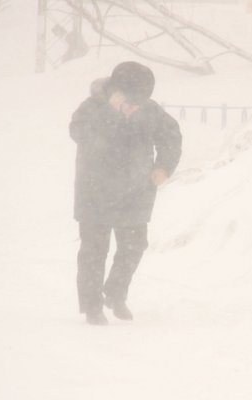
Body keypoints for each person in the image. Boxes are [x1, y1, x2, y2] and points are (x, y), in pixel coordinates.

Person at [69, 61, 182, 325]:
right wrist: (112, 112)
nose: (137, 105)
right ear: (117, 91)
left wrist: (163, 166)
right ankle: (92, 306)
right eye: (132, 99)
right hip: (95, 191)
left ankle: (115, 293)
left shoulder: (149, 110)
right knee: (94, 251)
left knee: (134, 247)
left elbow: (171, 136)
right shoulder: (92, 107)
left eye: (142, 99)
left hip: (135, 192)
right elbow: (79, 133)